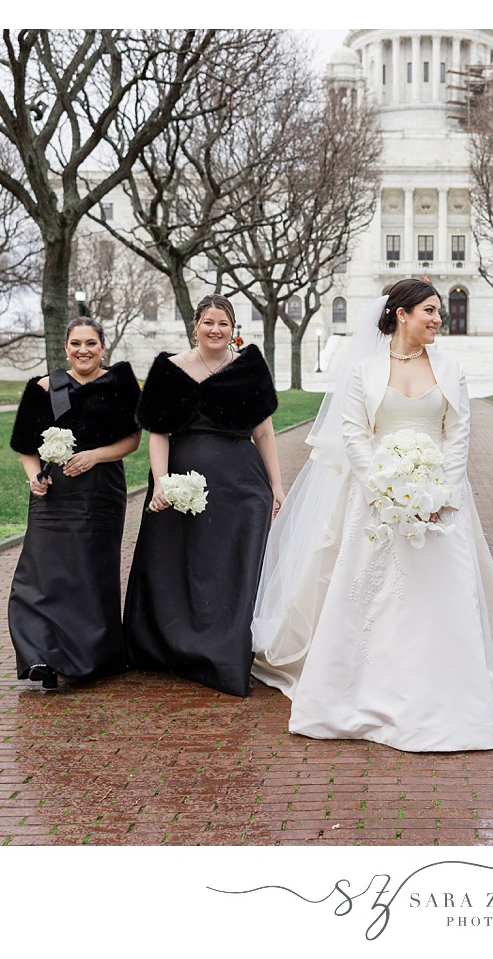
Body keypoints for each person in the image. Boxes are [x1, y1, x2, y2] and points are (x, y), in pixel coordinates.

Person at [251, 279, 493, 752]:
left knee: (443, 590)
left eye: (440, 311)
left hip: (441, 500)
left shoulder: (450, 367)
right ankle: (363, 689)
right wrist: (384, 489)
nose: (438, 319)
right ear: (401, 314)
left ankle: (449, 690)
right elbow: (356, 434)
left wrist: (443, 494)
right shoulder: (363, 370)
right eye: (429, 311)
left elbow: (458, 434)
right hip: (375, 501)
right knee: (370, 593)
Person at [122, 294, 286, 696]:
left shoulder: (249, 367)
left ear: (233, 329)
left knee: (232, 566)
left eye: (224, 324)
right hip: (181, 487)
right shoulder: (169, 369)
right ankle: (172, 649)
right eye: (209, 322)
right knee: (179, 564)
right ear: (195, 325)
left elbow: (263, 432)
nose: (216, 330)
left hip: (242, 487)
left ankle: (227, 654)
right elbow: (157, 432)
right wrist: (161, 481)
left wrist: (277, 486)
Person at [7, 317, 141, 690]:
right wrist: (33, 478)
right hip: (55, 493)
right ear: (65, 347)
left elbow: (133, 439)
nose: (84, 350)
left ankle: (90, 657)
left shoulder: (120, 383)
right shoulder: (43, 387)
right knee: (43, 573)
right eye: (76, 343)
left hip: (101, 490)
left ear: (103, 347)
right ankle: (40, 655)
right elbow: (25, 446)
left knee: (91, 573)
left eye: (91, 344)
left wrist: (95, 456)